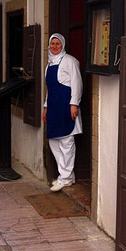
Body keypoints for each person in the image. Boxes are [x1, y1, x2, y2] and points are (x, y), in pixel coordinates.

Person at [42, 33, 83, 192]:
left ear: (63, 45)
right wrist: (46, 107)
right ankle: (66, 175)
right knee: (53, 141)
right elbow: (49, 90)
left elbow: (77, 83)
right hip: (53, 107)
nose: (55, 46)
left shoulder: (69, 61)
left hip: (66, 106)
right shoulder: (49, 65)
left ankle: (64, 178)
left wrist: (74, 104)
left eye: (58, 44)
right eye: (52, 43)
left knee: (67, 142)